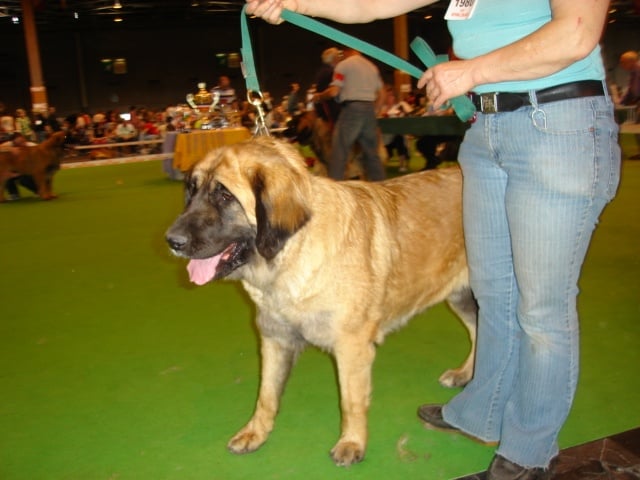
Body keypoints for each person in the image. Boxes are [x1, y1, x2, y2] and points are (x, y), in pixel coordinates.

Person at [245, 1, 621, 478]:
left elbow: (577, 32)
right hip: (488, 128)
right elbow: (368, 4)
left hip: (556, 123)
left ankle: (530, 450)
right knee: (494, 294)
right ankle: (480, 409)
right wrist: (293, 2)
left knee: (542, 310)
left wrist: (471, 71)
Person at [312, 47, 386, 181]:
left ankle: (336, 188)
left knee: (339, 152)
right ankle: (381, 188)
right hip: (369, 111)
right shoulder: (372, 67)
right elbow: (382, 94)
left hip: (352, 110)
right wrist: (375, 110)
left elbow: (334, 91)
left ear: (345, 51)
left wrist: (319, 96)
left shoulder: (343, 65)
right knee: (372, 154)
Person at [378, 86, 412, 172]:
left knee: (399, 138)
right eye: (387, 95)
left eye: (391, 95)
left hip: (398, 135)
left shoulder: (401, 105)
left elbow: (410, 113)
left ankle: (402, 164)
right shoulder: (381, 107)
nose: (389, 98)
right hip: (384, 136)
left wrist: (403, 111)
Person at [617, 50, 640, 159]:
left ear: (630, 62)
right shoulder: (636, 70)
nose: (621, 65)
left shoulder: (637, 71)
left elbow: (634, 91)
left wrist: (621, 102)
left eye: (623, 62)